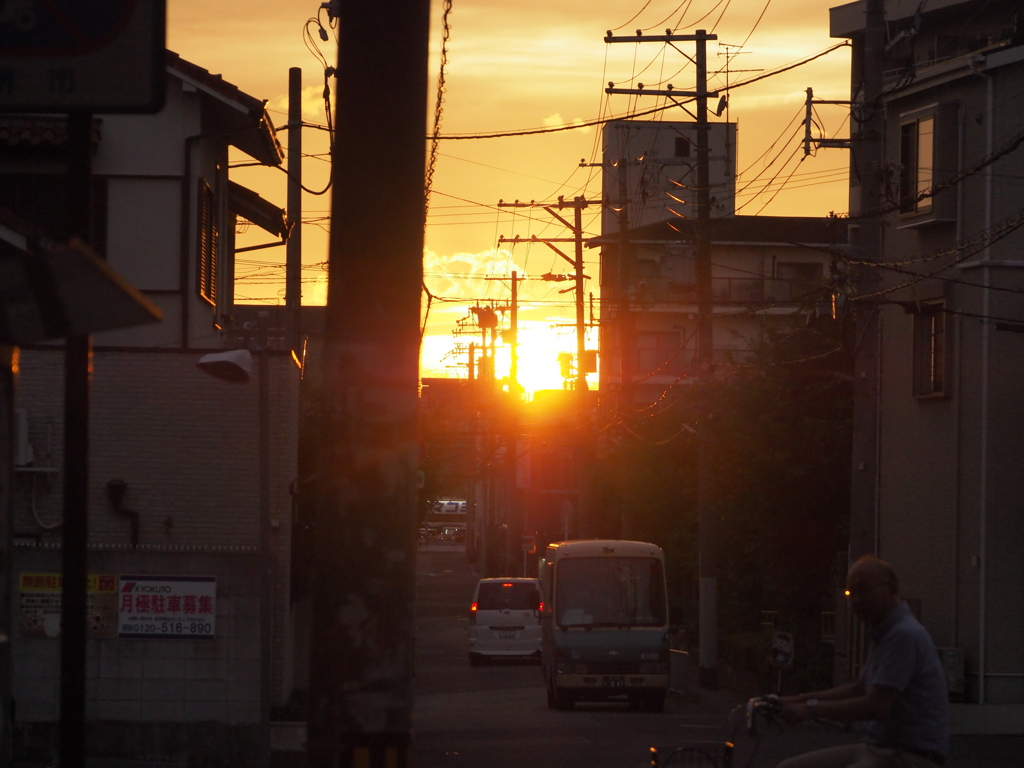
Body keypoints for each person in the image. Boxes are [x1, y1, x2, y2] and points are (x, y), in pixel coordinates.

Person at [776, 555, 950, 768]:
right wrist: (796, 699)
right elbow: (859, 688)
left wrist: (809, 709)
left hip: (909, 756)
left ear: (891, 588)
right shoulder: (884, 632)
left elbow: (876, 705)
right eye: (851, 592)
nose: (856, 599)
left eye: (864, 589)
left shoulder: (903, 634)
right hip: (881, 749)